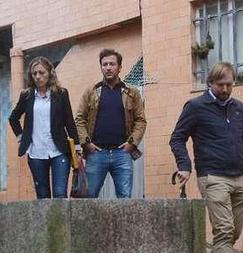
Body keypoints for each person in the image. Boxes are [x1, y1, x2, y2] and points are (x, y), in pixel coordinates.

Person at [169, 62, 243, 253]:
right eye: (221, 85)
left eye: (229, 84)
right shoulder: (196, 107)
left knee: (233, 233)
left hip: (240, 177)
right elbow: (177, 138)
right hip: (213, 177)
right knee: (224, 231)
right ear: (210, 84)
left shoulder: (239, 108)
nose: (226, 89)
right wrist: (185, 165)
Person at [74, 48, 146, 198]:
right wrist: (86, 143)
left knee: (125, 199)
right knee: (88, 198)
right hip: (96, 153)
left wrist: (132, 143)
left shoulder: (132, 93)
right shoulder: (91, 92)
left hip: (122, 154)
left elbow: (140, 120)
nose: (108, 67)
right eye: (104, 64)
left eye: (112, 64)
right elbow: (80, 119)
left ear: (119, 67)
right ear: (101, 67)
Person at [8, 56, 80, 198]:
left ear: (50, 73)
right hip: (36, 153)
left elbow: (69, 121)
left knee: (60, 194)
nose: (38, 77)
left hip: (59, 150)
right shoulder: (27, 95)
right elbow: (13, 118)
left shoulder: (61, 94)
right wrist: (22, 138)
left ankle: (60, 221)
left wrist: (77, 147)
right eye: (34, 73)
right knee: (43, 197)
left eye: (41, 73)